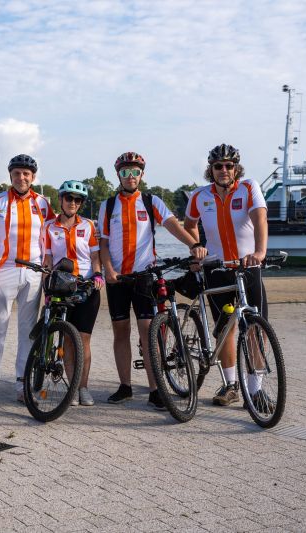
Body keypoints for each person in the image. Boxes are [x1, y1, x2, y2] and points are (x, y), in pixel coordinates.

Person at [98, 151, 206, 409]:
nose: (130, 176)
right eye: (125, 172)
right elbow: (103, 243)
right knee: (121, 331)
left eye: (135, 172)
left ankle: (155, 389)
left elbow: (173, 225)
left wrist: (194, 245)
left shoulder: (150, 201)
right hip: (118, 279)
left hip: (145, 276)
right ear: (119, 175)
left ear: (142, 175)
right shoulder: (108, 206)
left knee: (149, 332)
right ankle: (125, 386)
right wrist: (108, 270)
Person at [184, 144, 269, 409]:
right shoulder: (199, 196)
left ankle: (255, 390)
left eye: (228, 166)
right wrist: (196, 249)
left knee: (256, 328)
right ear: (210, 169)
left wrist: (260, 252)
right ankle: (231, 385)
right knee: (225, 329)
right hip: (216, 269)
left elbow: (260, 219)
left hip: (247, 266)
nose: (223, 170)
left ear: (236, 168)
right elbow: (189, 225)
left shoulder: (248, 188)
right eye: (218, 166)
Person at [0, 154, 54, 406]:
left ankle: (23, 385)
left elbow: (51, 239)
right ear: (10, 175)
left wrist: (48, 269)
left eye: (26, 174)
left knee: (28, 333)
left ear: (33, 177)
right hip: (4, 270)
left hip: (33, 271)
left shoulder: (43, 203)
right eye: (17, 173)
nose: (21, 177)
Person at [42, 181, 105, 406]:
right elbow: (48, 259)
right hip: (62, 287)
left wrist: (98, 274)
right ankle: (72, 389)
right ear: (61, 199)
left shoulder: (88, 226)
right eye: (69, 198)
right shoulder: (49, 227)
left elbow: (95, 256)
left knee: (84, 340)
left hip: (86, 286)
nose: (73, 203)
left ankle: (83, 388)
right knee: (68, 339)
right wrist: (46, 286)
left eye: (78, 200)